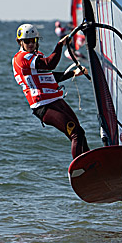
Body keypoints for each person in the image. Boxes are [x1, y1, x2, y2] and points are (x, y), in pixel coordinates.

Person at [12, 23, 90, 159]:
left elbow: (50, 76)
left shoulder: (36, 57)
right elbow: (50, 63)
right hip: (43, 106)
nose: (31, 44)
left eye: (33, 41)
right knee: (75, 133)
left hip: (55, 101)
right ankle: (80, 169)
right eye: (27, 41)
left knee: (80, 132)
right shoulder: (22, 58)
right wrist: (60, 45)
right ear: (20, 42)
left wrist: (73, 73)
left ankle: (93, 162)